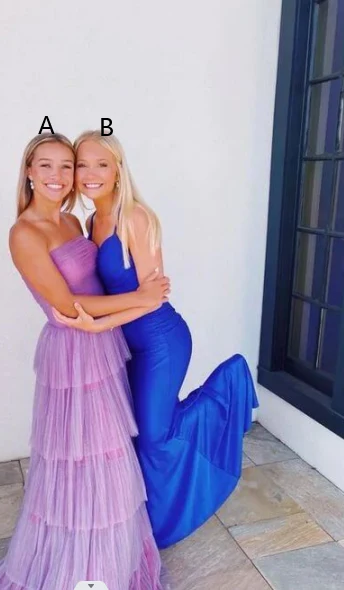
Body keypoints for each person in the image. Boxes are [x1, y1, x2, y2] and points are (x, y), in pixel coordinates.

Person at [0, 132, 170, 590]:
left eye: (68, 166)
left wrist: (133, 304)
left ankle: (110, 558)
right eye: (46, 165)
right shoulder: (24, 233)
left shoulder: (72, 221)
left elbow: (97, 284)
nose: (59, 175)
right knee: (78, 456)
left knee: (109, 453)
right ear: (28, 171)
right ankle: (78, 564)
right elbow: (68, 304)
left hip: (103, 344)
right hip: (71, 352)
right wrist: (141, 298)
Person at [53, 131, 259, 549]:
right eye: (83, 165)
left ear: (118, 170)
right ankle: (142, 521)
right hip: (125, 344)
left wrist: (99, 325)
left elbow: (154, 299)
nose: (91, 173)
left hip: (161, 341)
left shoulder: (136, 217)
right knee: (134, 435)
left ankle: (227, 390)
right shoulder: (92, 222)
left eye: (102, 164)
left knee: (153, 436)